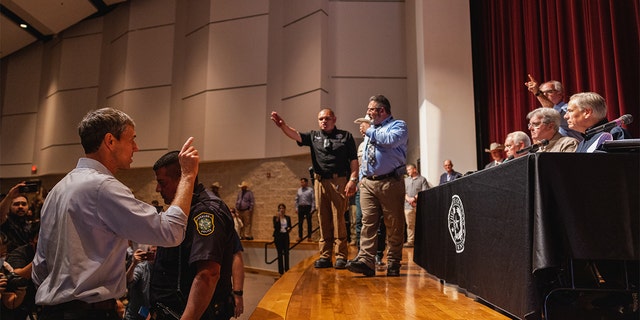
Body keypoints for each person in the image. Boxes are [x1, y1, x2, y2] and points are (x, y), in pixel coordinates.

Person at [32, 108, 200, 320]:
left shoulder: (57, 189)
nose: (136, 148)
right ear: (110, 141)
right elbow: (171, 232)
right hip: (87, 314)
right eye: (132, 140)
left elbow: (40, 267)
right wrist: (187, 176)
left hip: (52, 312)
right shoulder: (102, 186)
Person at [149, 151, 242, 320]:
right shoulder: (184, 209)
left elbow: (208, 274)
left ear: (182, 179)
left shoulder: (205, 211)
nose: (157, 189)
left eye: (162, 183)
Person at [270, 108, 358, 270]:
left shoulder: (345, 136)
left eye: (327, 118)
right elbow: (296, 135)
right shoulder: (314, 136)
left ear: (334, 119)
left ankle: (341, 256)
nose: (324, 121)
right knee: (323, 218)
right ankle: (325, 256)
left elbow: (353, 160)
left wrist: (352, 179)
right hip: (319, 182)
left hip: (339, 180)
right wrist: (283, 126)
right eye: (321, 119)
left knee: (338, 218)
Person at [347, 94, 408, 277]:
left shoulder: (398, 126)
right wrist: (361, 181)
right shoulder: (371, 130)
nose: (367, 112)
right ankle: (366, 261)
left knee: (394, 224)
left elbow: (390, 140)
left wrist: (369, 131)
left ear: (382, 110)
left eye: (371, 109)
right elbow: (366, 156)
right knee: (367, 223)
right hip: (368, 183)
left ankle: (393, 262)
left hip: (390, 182)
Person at [565, 92, 632, 153]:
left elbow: (625, 163)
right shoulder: (583, 142)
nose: (565, 116)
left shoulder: (614, 132)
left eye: (570, 111)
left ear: (587, 112)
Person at [524, 75, 582, 140]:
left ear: (560, 93)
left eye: (549, 92)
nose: (544, 95)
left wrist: (537, 93)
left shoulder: (569, 109)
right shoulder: (541, 114)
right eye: (542, 93)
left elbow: (555, 113)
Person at [125, 245, 156, 320]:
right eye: (152, 252)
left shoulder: (161, 269)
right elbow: (128, 281)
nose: (154, 254)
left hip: (152, 315)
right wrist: (134, 263)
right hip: (135, 316)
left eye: (156, 252)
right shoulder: (141, 267)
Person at [403, 163, 429, 248]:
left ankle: (422, 241)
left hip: (419, 206)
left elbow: (424, 191)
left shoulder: (422, 179)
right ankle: (410, 242)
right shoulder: (405, 180)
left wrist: (414, 199)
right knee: (410, 225)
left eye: (409, 170)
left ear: (414, 169)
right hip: (407, 206)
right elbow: (403, 192)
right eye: (407, 170)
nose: (408, 172)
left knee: (421, 224)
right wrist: (409, 199)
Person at [272, 203, 291, 275]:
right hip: (278, 237)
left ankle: (287, 269)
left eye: (283, 208)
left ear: (285, 209)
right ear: (278, 210)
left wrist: (289, 228)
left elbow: (290, 226)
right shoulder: (275, 218)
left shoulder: (288, 218)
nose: (281, 210)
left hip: (285, 236)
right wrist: (278, 218)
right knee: (280, 254)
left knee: (286, 253)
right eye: (280, 208)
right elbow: (275, 227)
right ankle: (281, 272)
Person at [295, 178, 315, 242]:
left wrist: (312, 208)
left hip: (308, 207)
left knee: (309, 222)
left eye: (303, 182)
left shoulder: (310, 190)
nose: (302, 183)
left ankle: (309, 237)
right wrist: (296, 208)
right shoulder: (299, 190)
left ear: (306, 183)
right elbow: (296, 200)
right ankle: (300, 236)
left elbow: (313, 200)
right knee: (300, 223)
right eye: (301, 182)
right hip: (301, 207)